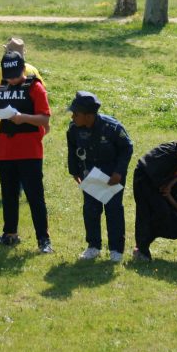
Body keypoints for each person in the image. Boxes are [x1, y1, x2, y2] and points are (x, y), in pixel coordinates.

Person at [0, 51, 53, 253]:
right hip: (5, 150)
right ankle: (10, 234)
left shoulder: (35, 87)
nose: (12, 78)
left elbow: (44, 119)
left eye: (15, 74)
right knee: (9, 194)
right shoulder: (0, 89)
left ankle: (43, 239)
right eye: (8, 74)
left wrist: (22, 117)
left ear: (23, 69)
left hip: (29, 150)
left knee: (34, 195)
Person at [67, 91, 133, 262]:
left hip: (112, 174)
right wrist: (74, 171)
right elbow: (72, 149)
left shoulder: (112, 128)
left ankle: (116, 250)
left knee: (113, 210)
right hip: (89, 173)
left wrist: (119, 172)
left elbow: (127, 148)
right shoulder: (74, 129)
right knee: (90, 209)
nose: (73, 116)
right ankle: (93, 246)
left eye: (76, 114)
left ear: (89, 116)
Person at [132, 137, 177, 263]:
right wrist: (176, 206)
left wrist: (171, 185)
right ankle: (141, 250)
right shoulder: (163, 160)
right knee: (159, 212)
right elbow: (163, 191)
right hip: (146, 181)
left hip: (167, 180)